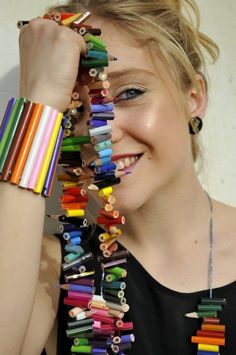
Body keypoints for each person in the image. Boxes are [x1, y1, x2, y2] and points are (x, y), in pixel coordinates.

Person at [0, 0, 236, 354]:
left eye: (129, 93)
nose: (98, 133)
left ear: (194, 97)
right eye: (70, 113)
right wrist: (39, 101)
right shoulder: (47, 275)